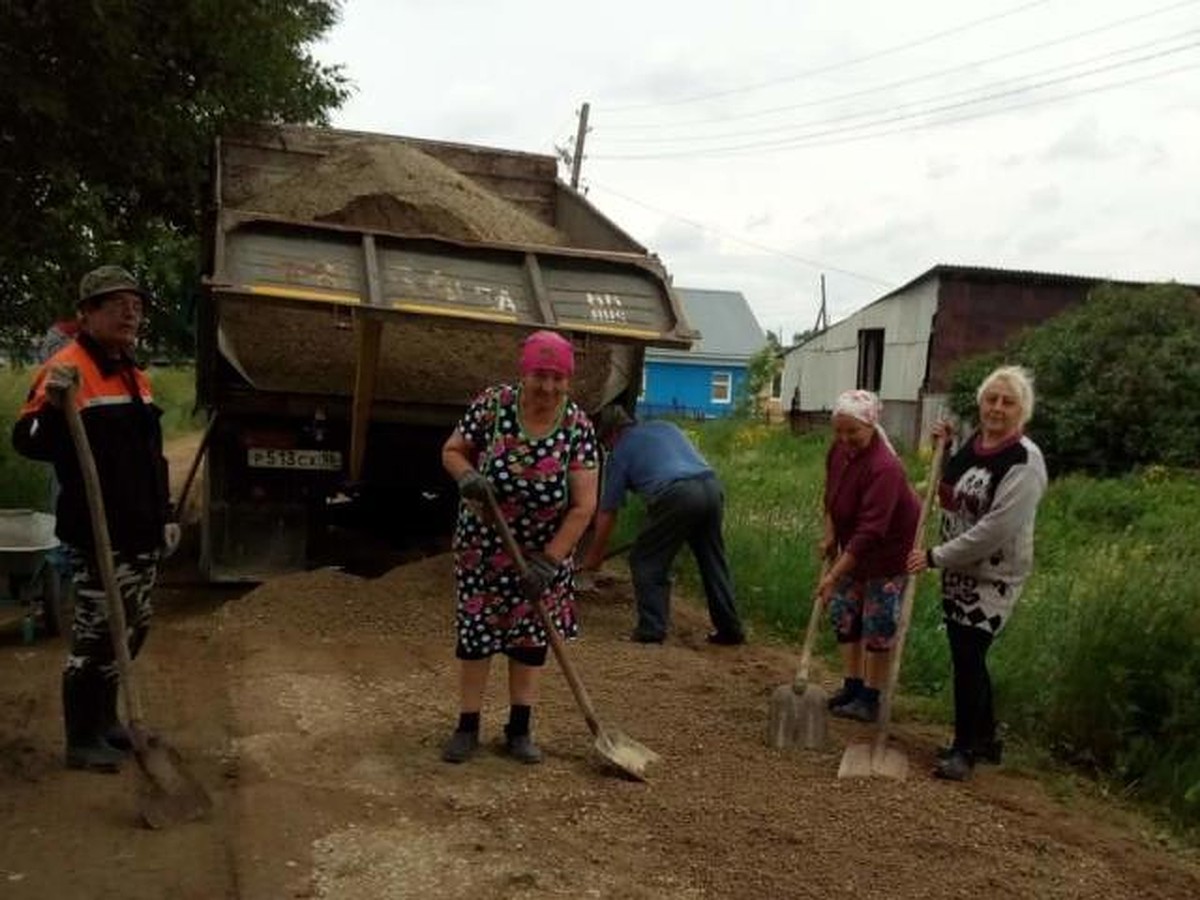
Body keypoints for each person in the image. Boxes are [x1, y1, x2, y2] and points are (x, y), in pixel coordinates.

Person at [12, 265, 178, 773]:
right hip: (97, 534)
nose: (130, 311)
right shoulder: (67, 368)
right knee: (95, 636)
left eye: (136, 303)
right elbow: (27, 440)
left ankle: (107, 722)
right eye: (115, 303)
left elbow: (152, 457)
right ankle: (81, 739)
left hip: (140, 531)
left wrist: (165, 515)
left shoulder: (133, 372)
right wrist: (55, 409)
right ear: (86, 314)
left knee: (130, 630)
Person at [439, 330, 599, 765]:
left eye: (557, 378)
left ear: (568, 380)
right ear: (524, 372)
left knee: (530, 639)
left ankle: (519, 730)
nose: (548, 387)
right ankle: (467, 726)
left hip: (543, 553)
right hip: (484, 549)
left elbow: (584, 505)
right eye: (540, 376)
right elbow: (452, 451)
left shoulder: (577, 426)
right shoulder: (492, 406)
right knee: (477, 635)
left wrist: (549, 563)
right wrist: (467, 476)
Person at [907, 365, 1047, 781]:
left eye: (1008, 402)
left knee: (969, 657)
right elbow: (950, 491)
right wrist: (945, 451)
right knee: (966, 655)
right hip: (957, 569)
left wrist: (934, 556)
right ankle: (984, 738)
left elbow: (994, 531)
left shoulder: (1024, 461)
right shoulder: (976, 443)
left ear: (1023, 410)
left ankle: (964, 748)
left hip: (993, 576)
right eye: (991, 399)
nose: (997, 408)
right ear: (981, 402)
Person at [581, 406, 745, 646]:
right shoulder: (665, 427)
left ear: (613, 434)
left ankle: (651, 630)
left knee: (645, 560)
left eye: (604, 441)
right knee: (712, 561)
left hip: (676, 494)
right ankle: (730, 630)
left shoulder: (619, 454)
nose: (605, 447)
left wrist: (594, 556)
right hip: (710, 487)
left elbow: (608, 511)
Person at [818, 389, 920, 724]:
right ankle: (852, 685)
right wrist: (831, 533)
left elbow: (871, 532)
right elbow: (832, 496)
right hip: (853, 547)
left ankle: (871, 697)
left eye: (853, 433)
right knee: (845, 613)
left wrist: (833, 574)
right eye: (839, 431)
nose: (845, 439)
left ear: (871, 427)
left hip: (887, 553)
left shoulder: (884, 467)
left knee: (878, 622)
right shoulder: (838, 452)